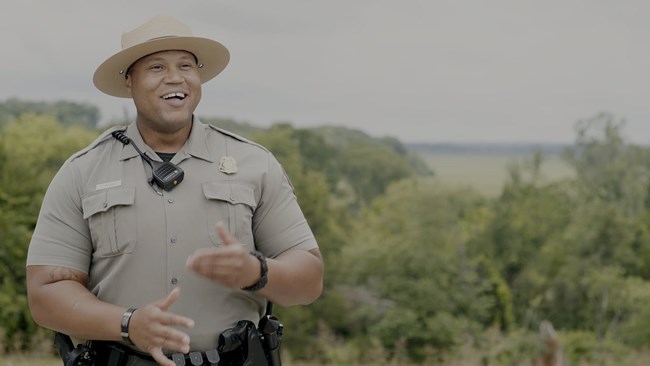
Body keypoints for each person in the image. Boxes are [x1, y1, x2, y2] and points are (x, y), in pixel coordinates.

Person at [26, 15, 324, 366]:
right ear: (129, 82)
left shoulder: (254, 164)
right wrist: (127, 324)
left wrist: (256, 272)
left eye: (186, 65)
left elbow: (309, 280)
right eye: (156, 67)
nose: (175, 77)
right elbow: (45, 294)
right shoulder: (83, 172)